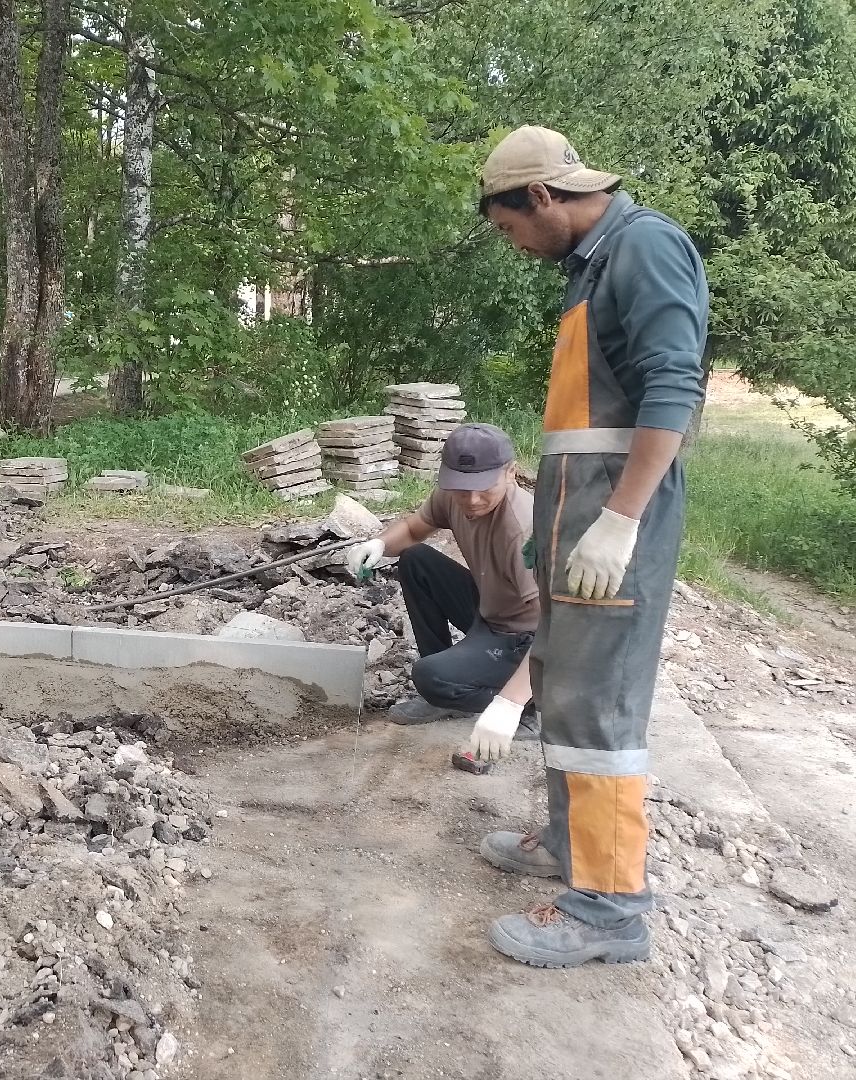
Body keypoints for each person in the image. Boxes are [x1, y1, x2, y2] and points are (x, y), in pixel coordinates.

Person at [472, 125, 708, 968]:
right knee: (567, 690)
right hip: (582, 519)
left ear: (541, 196)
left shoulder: (644, 248)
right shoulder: (593, 264)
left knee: (602, 707)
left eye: (509, 228)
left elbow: (673, 386)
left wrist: (623, 519)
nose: (513, 245)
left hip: (617, 524)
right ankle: (572, 850)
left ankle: (609, 908)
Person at [346, 423, 538, 737]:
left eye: (483, 487)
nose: (472, 499)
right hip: (489, 610)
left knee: (430, 677)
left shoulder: (523, 531)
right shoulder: (454, 496)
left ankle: (532, 707)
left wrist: (511, 702)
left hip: (523, 637)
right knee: (416, 559)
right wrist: (378, 544)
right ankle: (447, 695)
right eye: (462, 488)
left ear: (510, 472)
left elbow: (557, 630)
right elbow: (412, 529)